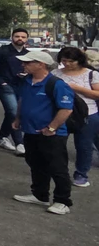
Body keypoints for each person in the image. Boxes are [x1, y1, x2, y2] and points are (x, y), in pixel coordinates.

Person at [12, 50, 74, 215]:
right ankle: (40, 194)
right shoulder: (26, 81)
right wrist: (18, 118)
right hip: (30, 131)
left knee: (57, 167)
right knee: (35, 163)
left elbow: (66, 109)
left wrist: (51, 128)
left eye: (28, 62)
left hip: (52, 134)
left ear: (41, 64)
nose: (23, 65)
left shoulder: (56, 84)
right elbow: (22, 101)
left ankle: (62, 201)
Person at [53, 47, 99, 187]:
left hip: (88, 113)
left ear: (79, 60)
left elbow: (97, 94)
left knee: (84, 146)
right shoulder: (56, 73)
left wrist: (76, 88)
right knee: (58, 144)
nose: (67, 64)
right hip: (62, 112)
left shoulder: (91, 74)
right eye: (64, 61)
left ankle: (81, 174)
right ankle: (60, 172)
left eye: (71, 61)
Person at [0, 28, 30, 156]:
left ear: (27, 39)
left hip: (22, 86)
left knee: (13, 112)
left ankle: (3, 136)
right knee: (14, 112)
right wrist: (1, 81)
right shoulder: (0, 52)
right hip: (6, 86)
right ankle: (19, 143)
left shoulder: (28, 54)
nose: (20, 39)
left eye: (23, 36)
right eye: (17, 36)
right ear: (12, 37)